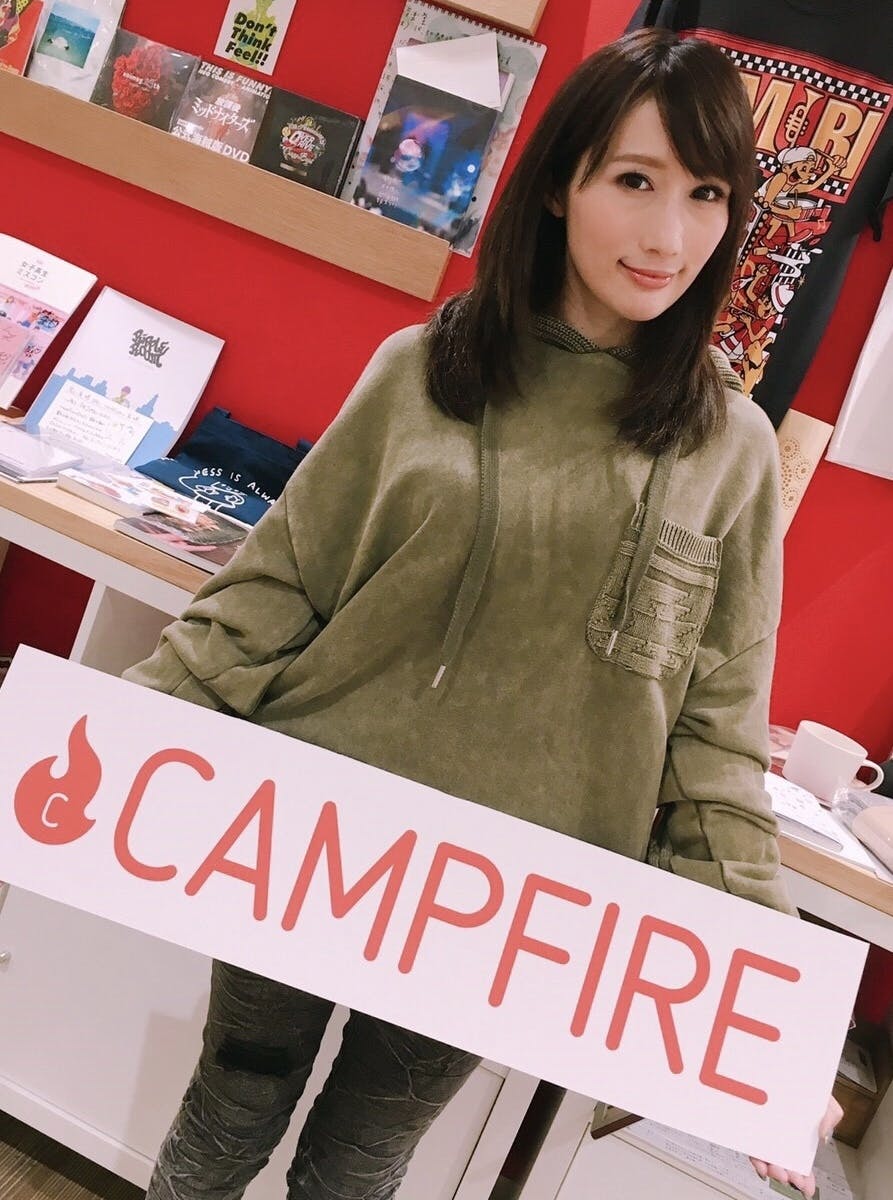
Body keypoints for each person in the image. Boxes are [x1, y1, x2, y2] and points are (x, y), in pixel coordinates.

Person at [125, 28, 841, 1200]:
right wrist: (80, 754)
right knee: (228, 1109)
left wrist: (774, 1024)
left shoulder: (729, 449)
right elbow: (272, 594)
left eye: (705, 195)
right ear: (559, 185)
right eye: (633, 181)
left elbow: (713, 746)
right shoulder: (419, 367)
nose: (668, 235)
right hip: (304, 832)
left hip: (511, 909)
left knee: (357, 1169)